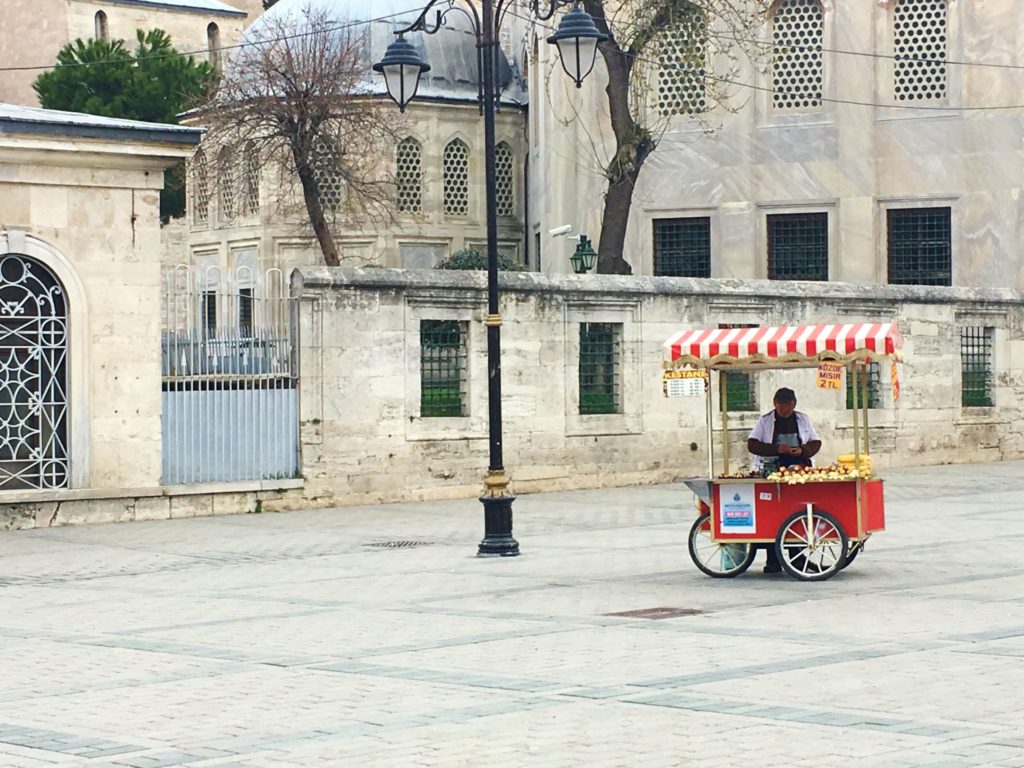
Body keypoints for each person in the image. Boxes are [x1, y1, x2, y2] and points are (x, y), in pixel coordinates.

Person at [747, 387, 822, 573]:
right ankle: (772, 559)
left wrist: (803, 451)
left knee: (795, 513)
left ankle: (795, 555)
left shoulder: (802, 419)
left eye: (788, 406)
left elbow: (815, 442)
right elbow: (752, 444)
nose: (784, 410)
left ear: (794, 405)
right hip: (772, 472)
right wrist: (776, 449)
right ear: (775, 404)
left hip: (798, 473)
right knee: (773, 515)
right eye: (780, 406)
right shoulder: (765, 421)